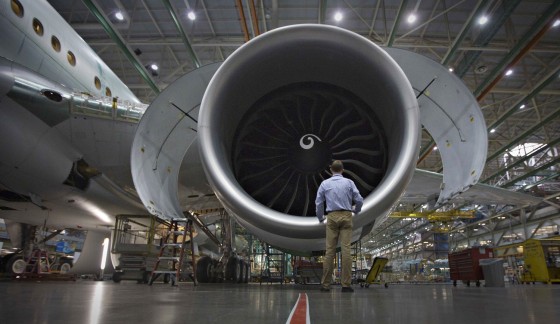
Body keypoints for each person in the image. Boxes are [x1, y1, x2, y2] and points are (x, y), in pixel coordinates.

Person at [315, 160, 363, 292]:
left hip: (331, 216)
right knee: (346, 250)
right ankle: (346, 285)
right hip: (347, 215)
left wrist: (320, 218)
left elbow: (319, 203)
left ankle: (325, 285)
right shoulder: (349, 182)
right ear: (342, 170)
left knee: (330, 251)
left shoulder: (325, 184)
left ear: (331, 170)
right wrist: (356, 210)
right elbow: (359, 199)